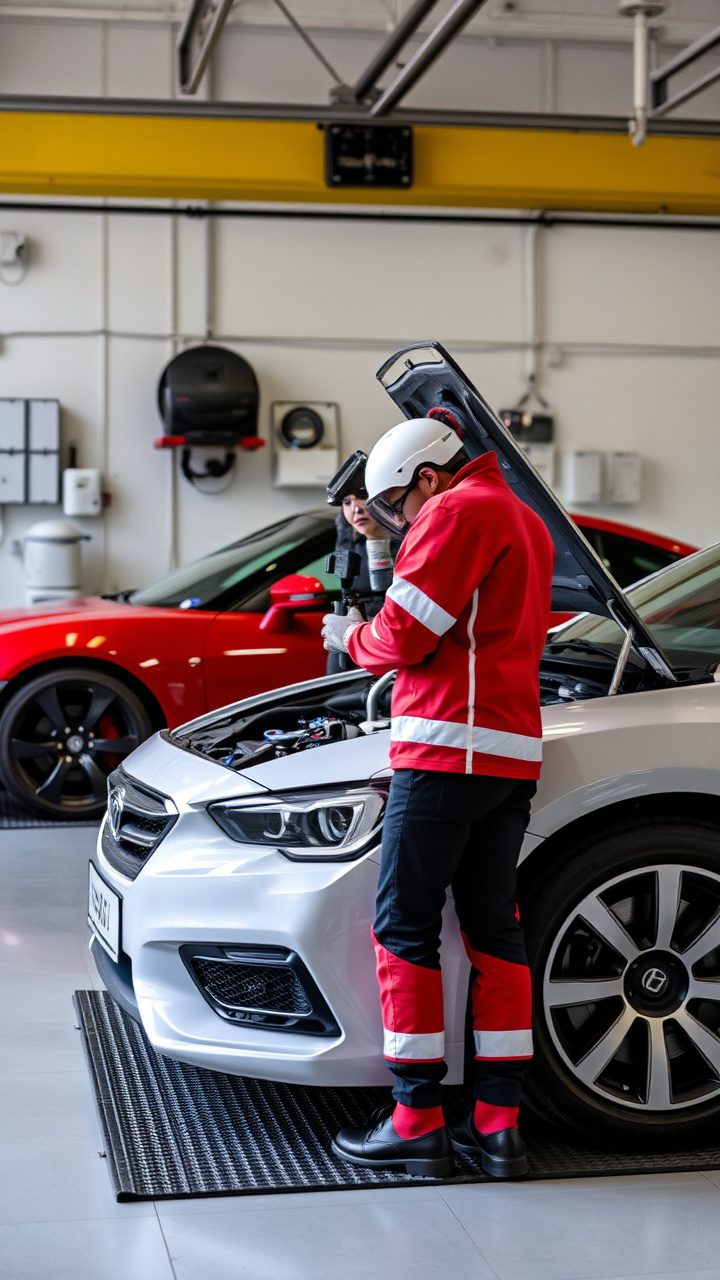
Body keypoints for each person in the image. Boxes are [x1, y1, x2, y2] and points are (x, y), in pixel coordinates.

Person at [321, 417, 554, 1180]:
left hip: (446, 749)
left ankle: (416, 1121)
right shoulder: (521, 516)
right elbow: (455, 610)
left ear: (428, 478)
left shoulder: (456, 510)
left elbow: (404, 636)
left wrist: (351, 637)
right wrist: (378, 542)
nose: (399, 521)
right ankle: (498, 1126)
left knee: (403, 928)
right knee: (495, 931)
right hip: (508, 753)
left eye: (398, 506)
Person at [326, 491, 398, 676]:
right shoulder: (348, 548)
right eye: (347, 502)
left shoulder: (412, 544)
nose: (355, 509)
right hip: (357, 640)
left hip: (395, 642)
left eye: (362, 496)